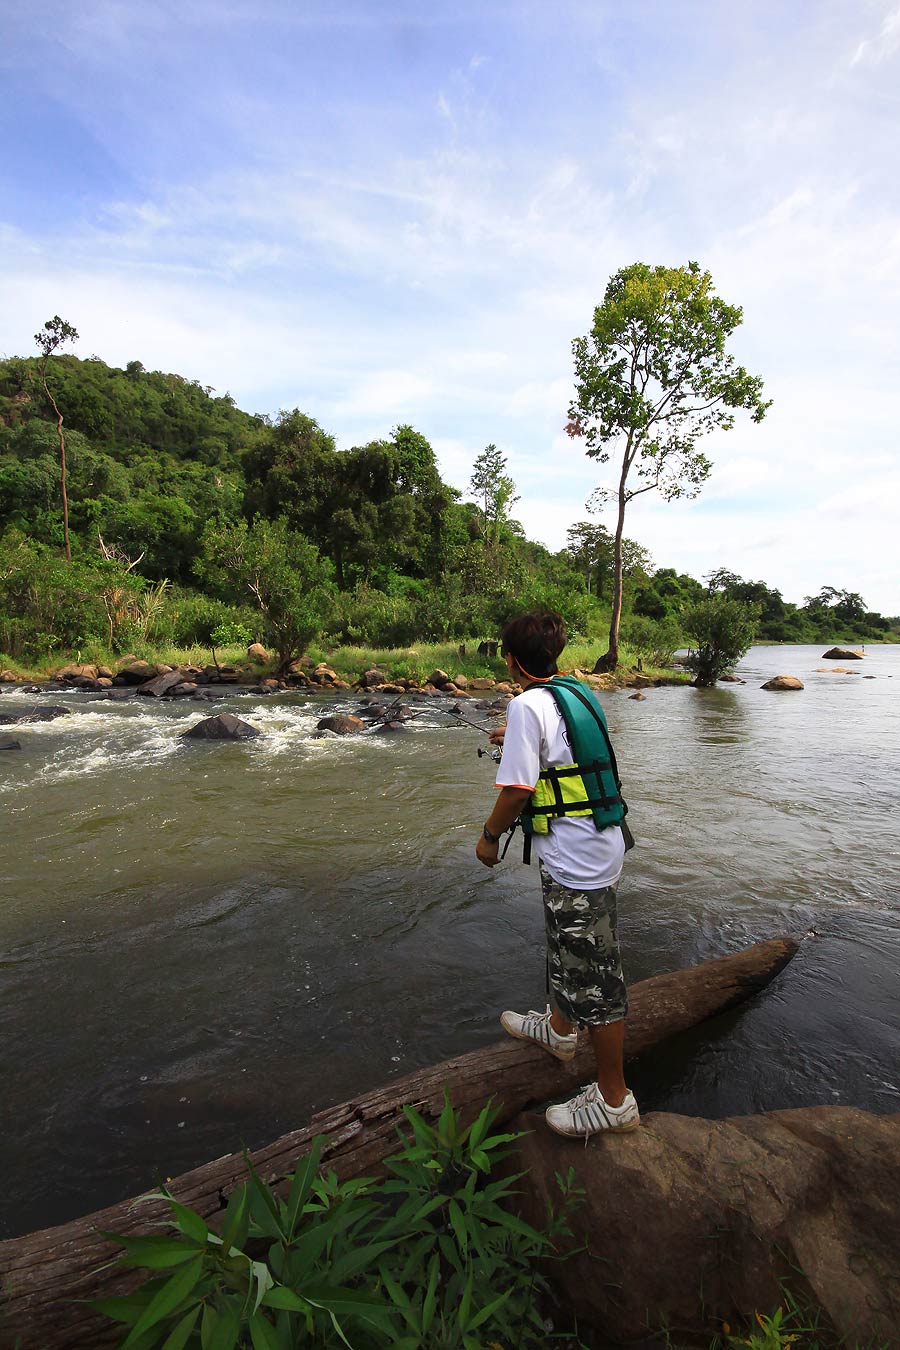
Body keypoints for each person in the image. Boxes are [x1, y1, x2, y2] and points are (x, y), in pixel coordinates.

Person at [475, 611, 639, 1139]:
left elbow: (518, 791)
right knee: (567, 942)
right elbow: (567, 748)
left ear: (511, 660)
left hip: (578, 856)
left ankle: (615, 1100)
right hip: (599, 841)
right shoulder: (577, 692)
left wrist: (489, 835)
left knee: (597, 977)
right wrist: (513, 732)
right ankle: (561, 1030)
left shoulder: (526, 704)